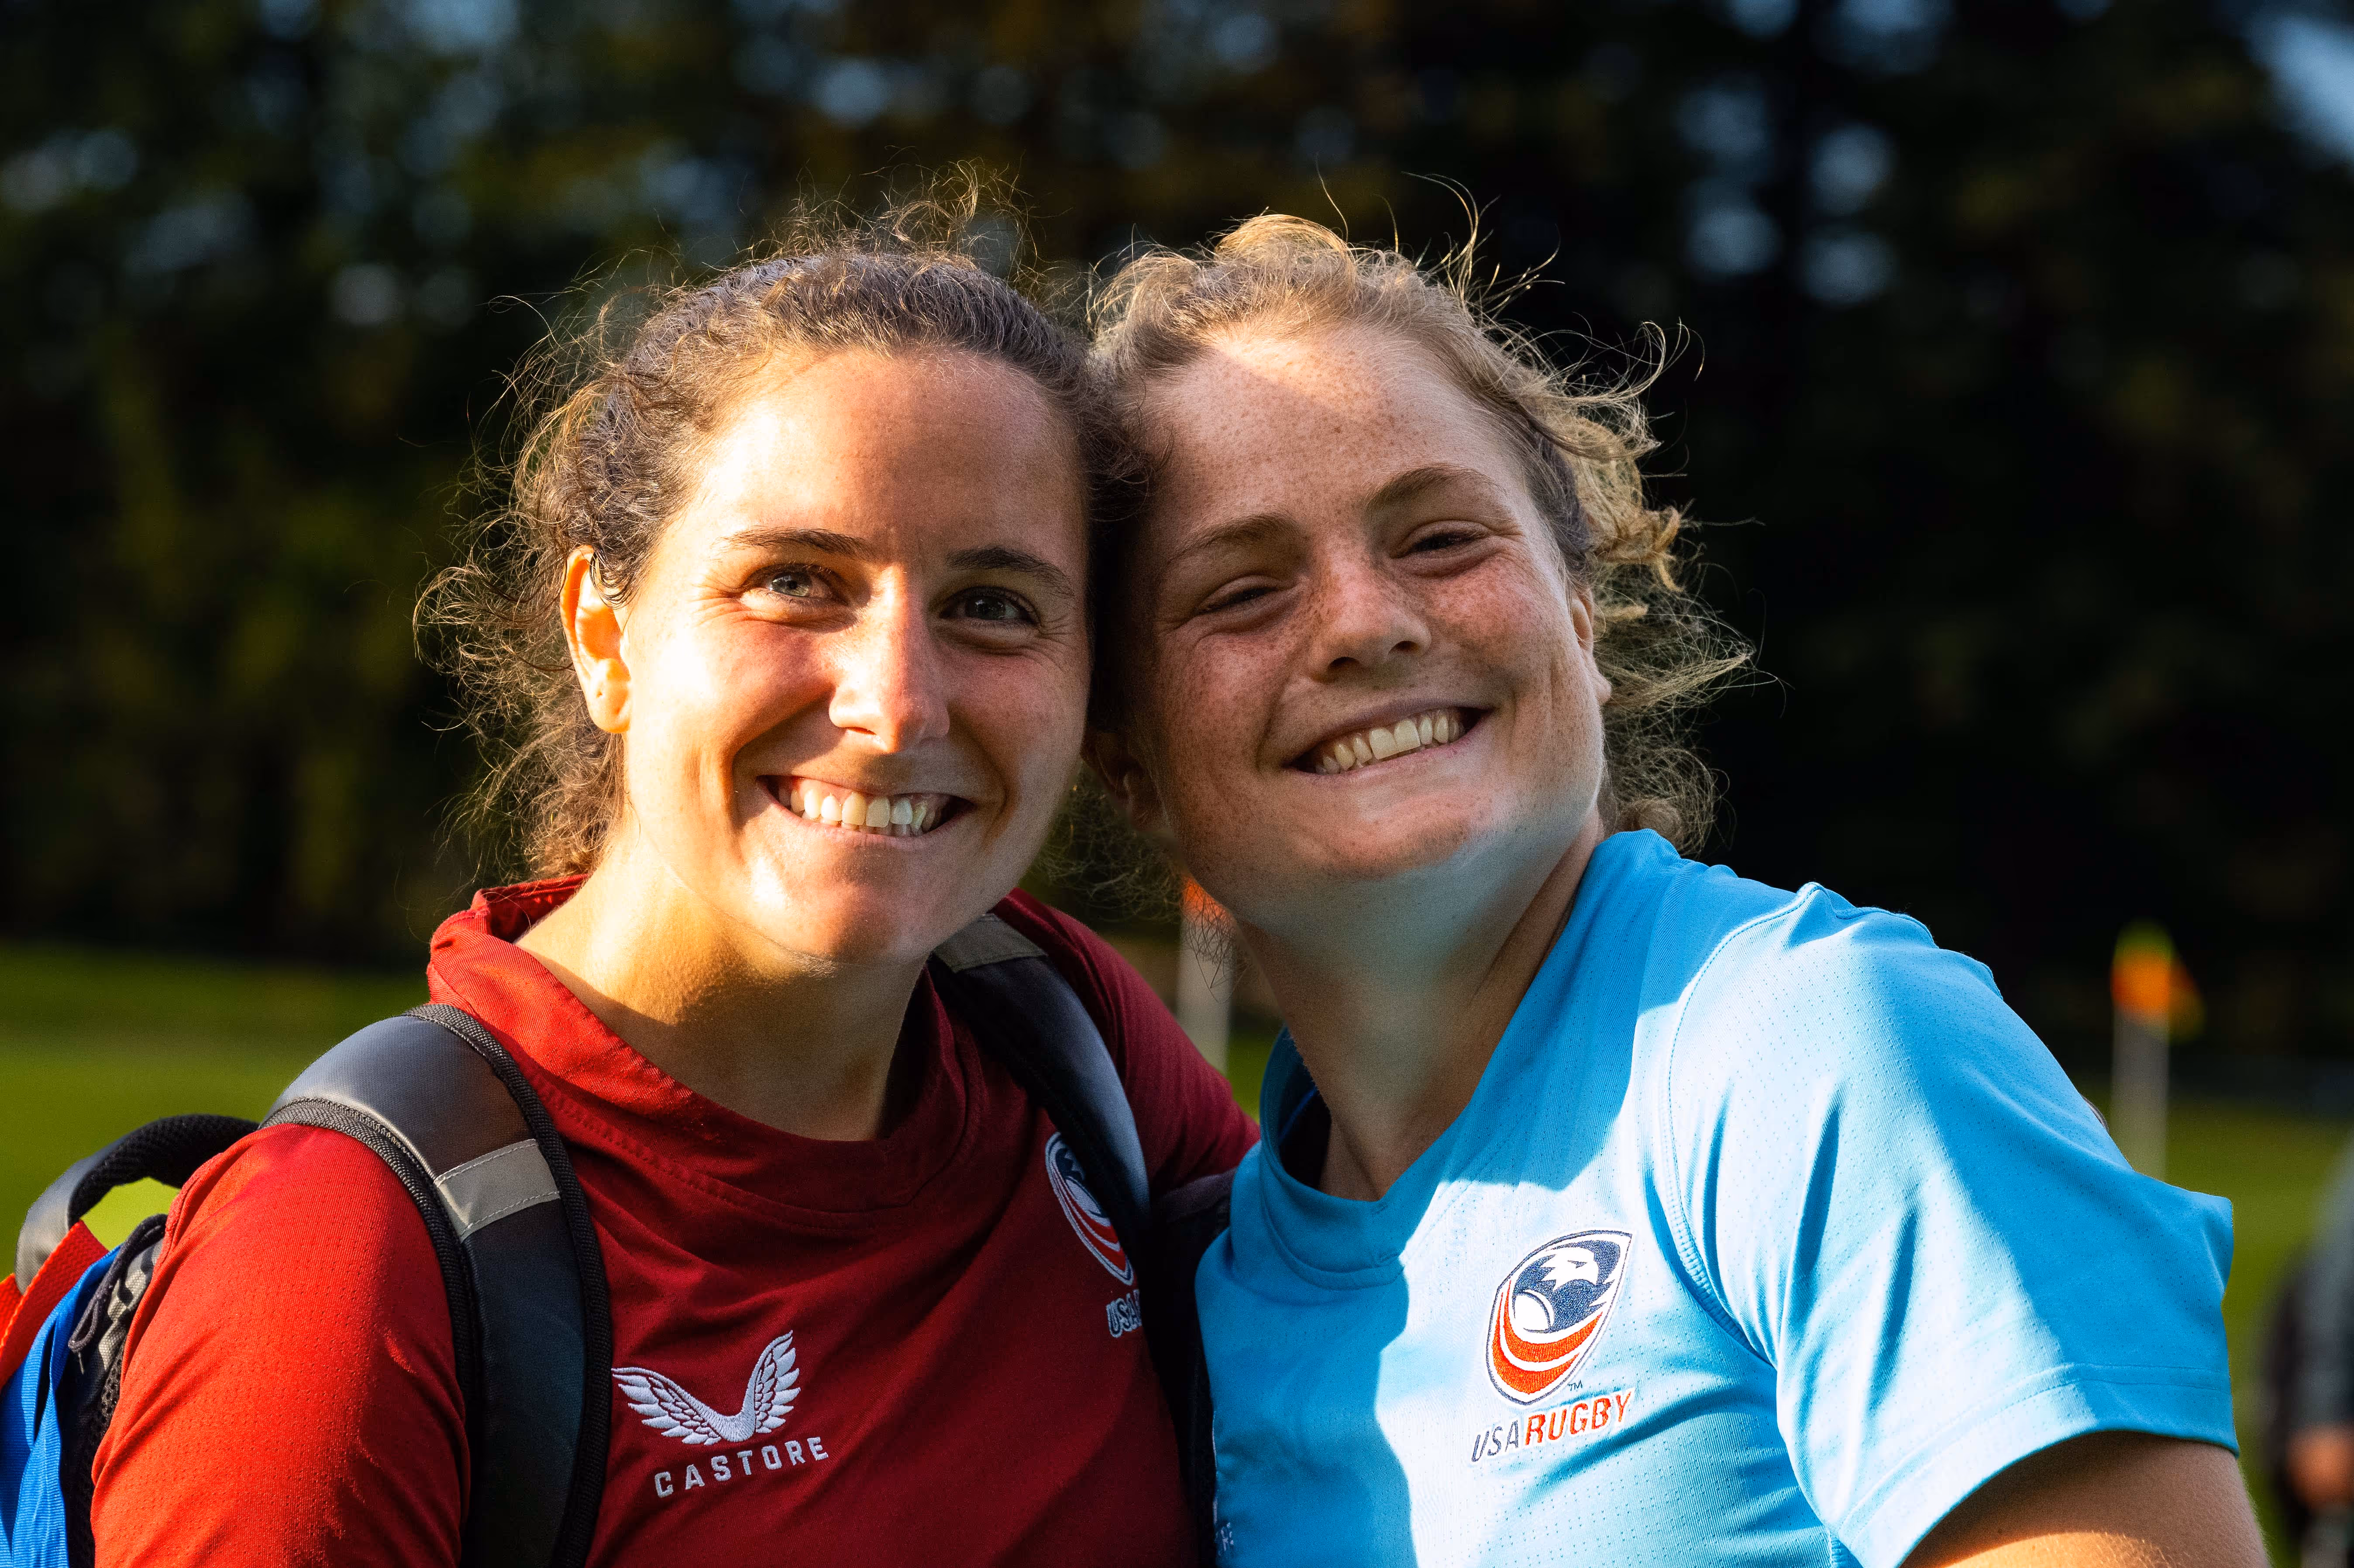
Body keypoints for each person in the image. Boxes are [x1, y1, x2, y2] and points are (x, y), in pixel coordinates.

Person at [87, 193, 1255, 1564]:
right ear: (606, 636)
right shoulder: (341, 1263)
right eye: (794, 582)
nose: (897, 702)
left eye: (995, 605)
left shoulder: (1068, 1032)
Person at [1083, 215, 2264, 1568]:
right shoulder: (1212, 1290)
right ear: (1132, 771)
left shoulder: (1824, 1047)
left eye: (1441, 538)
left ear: (1579, 621)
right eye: (1242, 590)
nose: (1367, 621)